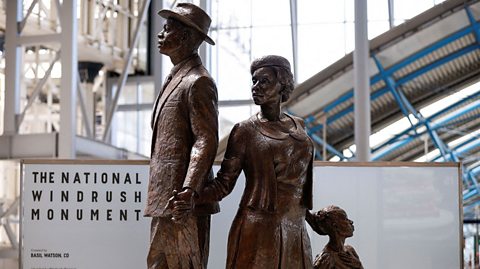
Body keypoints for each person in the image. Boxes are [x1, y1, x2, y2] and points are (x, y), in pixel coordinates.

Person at [173, 55, 315, 268]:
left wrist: (317, 221)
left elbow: (299, 185)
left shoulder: (300, 126)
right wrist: (191, 196)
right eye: (254, 81)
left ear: (282, 83)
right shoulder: (245, 131)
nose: (256, 87)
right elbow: (223, 184)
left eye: (264, 81)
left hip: (296, 226)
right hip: (258, 227)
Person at [144, 3, 219, 269]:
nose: (160, 35)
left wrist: (189, 189)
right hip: (166, 199)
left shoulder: (198, 81)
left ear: (187, 37)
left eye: (167, 29)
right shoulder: (177, 78)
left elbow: (205, 139)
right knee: (158, 264)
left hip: (182, 203)